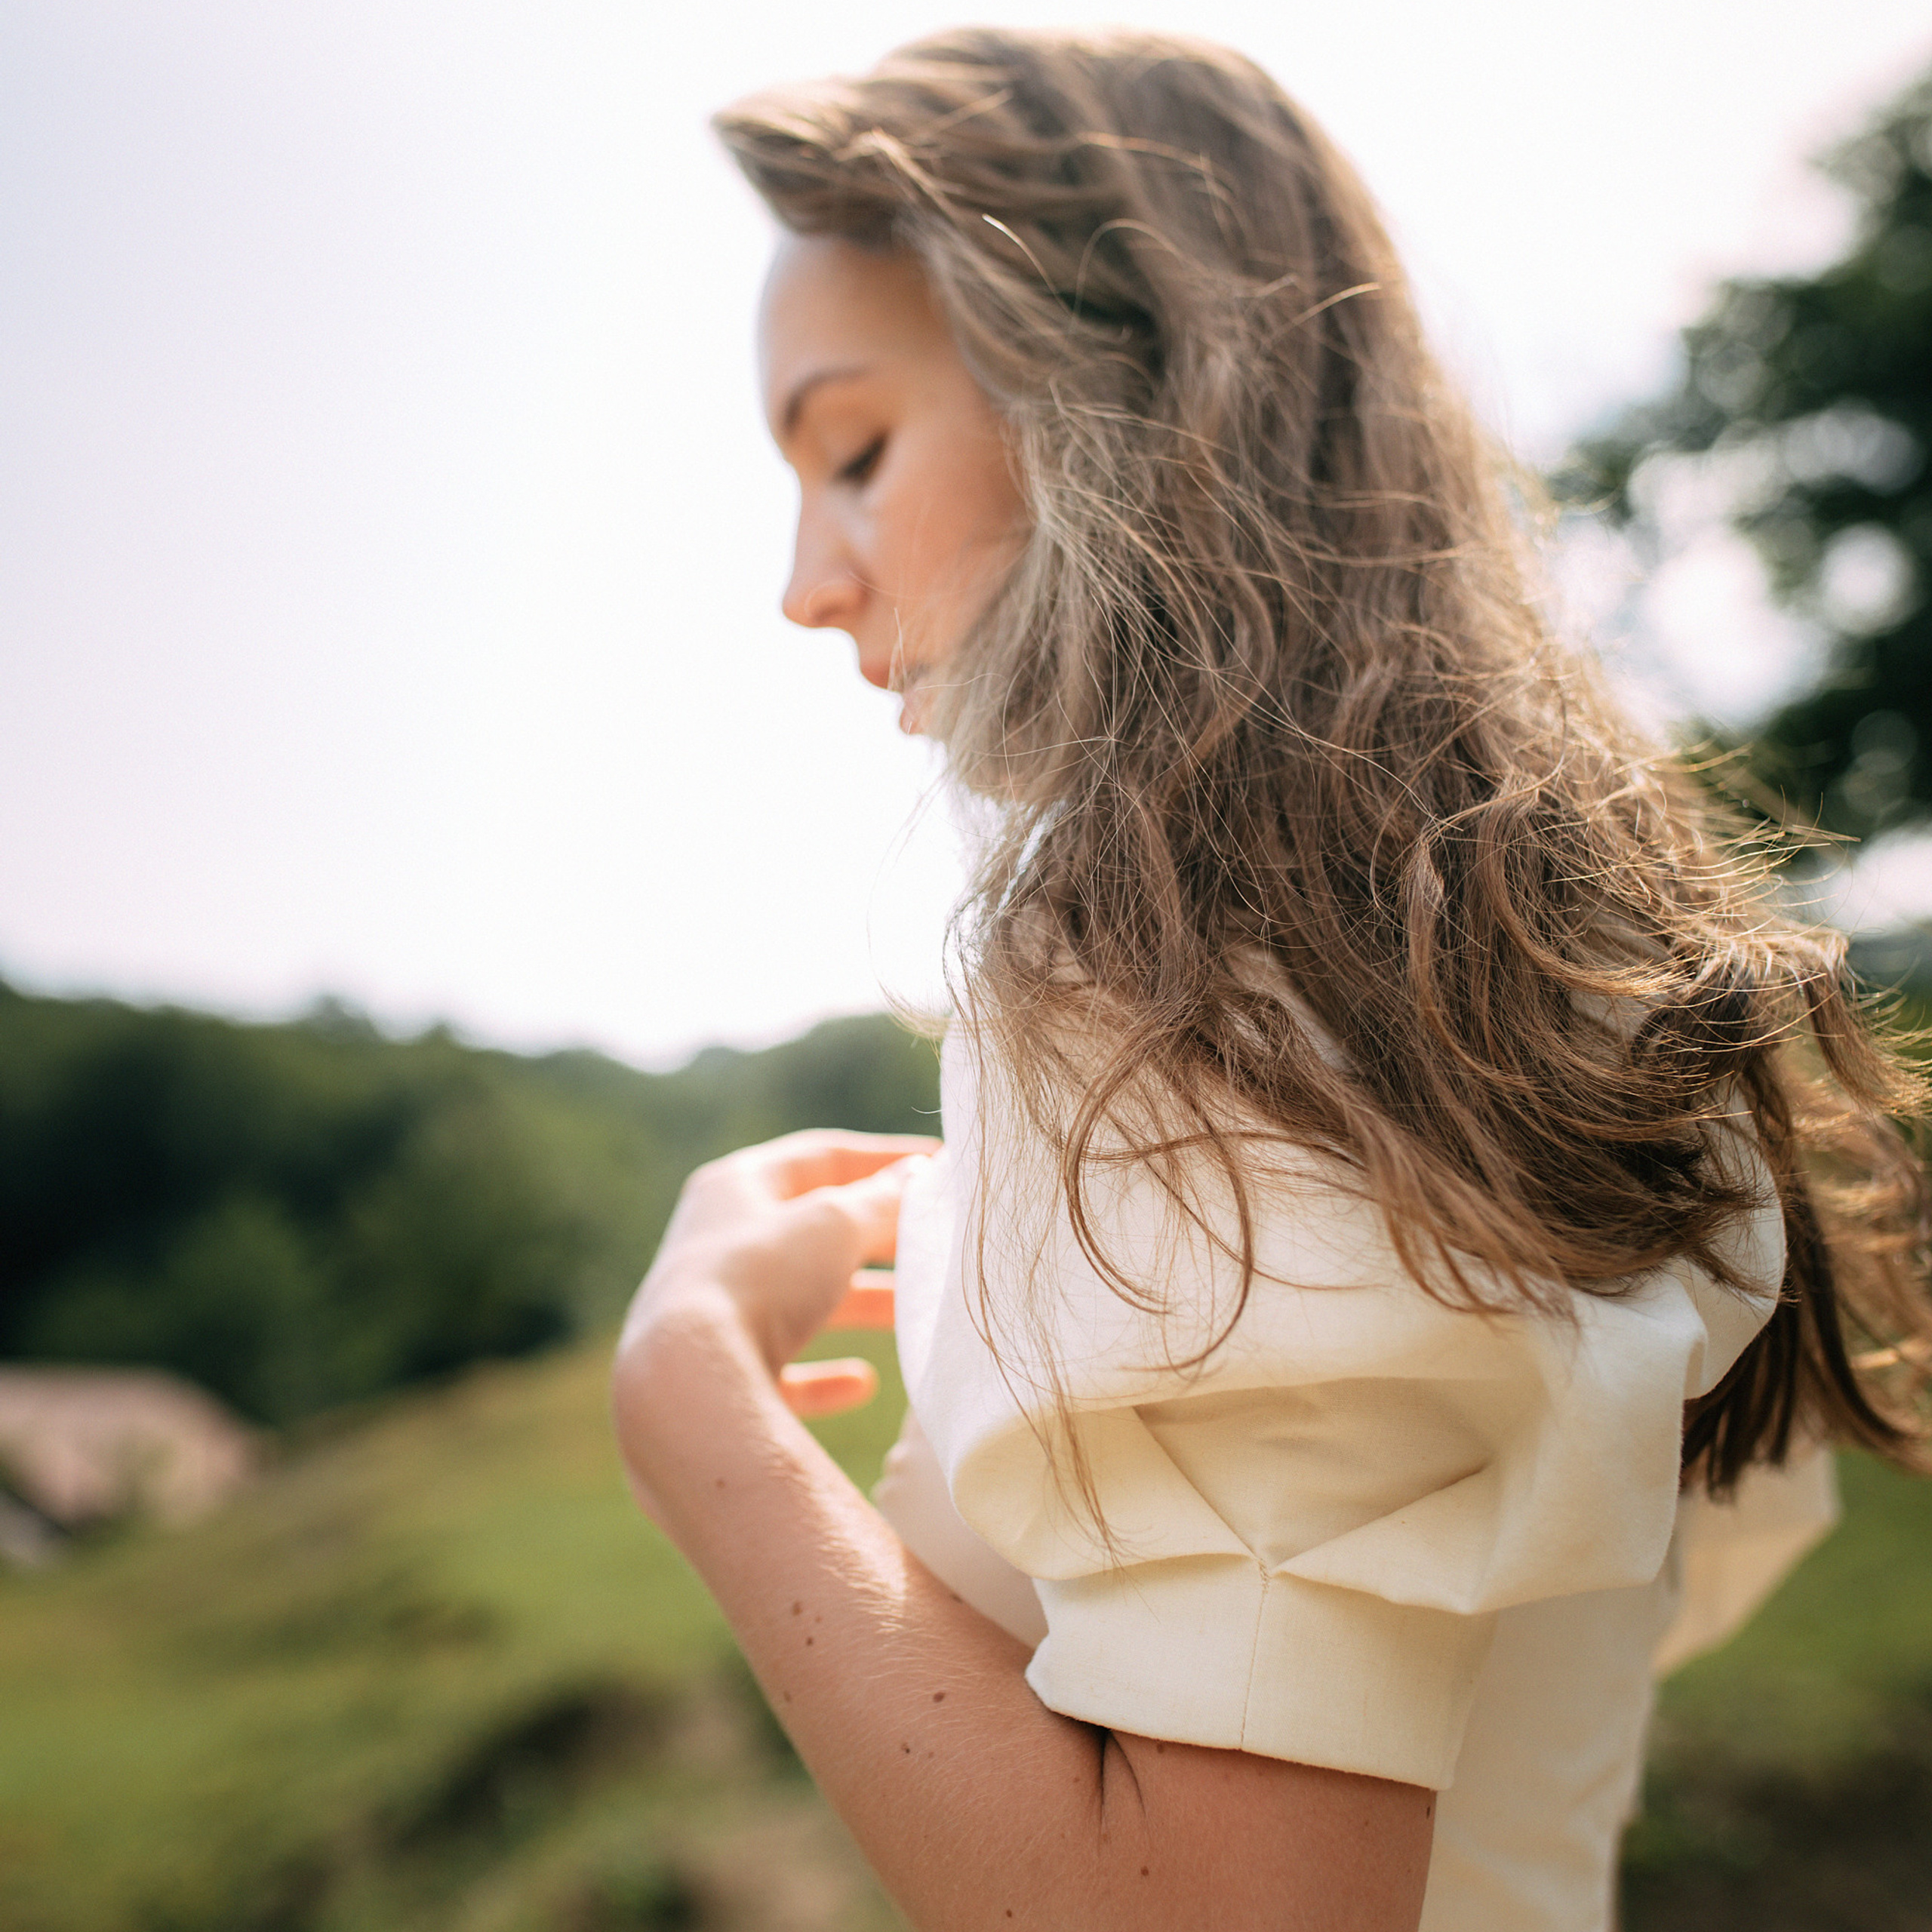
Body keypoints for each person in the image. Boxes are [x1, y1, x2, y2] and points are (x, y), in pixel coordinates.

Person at [611, 29, 1932, 1931]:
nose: (807, 580)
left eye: (857, 449)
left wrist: (695, 1413)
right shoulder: (1530, 965)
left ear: (1120, 389)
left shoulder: (1172, 997)